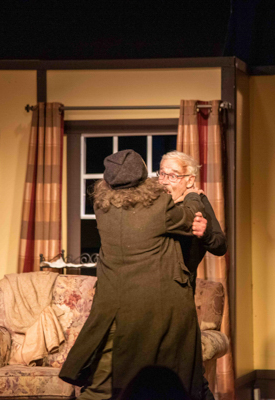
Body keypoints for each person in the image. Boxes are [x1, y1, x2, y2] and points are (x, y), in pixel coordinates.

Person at [59, 149, 206, 400]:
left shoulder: (102, 206)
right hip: (148, 305)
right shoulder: (158, 205)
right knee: (137, 379)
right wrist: (192, 196)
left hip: (112, 302)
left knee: (104, 381)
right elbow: (189, 218)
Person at [158, 150, 228, 400]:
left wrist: (204, 232)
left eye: (173, 175)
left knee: (191, 373)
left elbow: (220, 245)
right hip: (152, 296)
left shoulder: (198, 202)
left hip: (180, 297)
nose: (165, 180)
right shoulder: (156, 203)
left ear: (189, 179)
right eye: (162, 173)